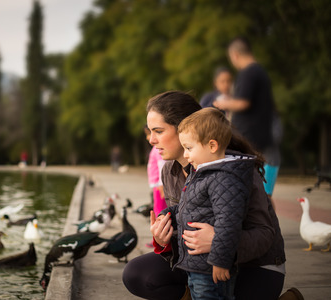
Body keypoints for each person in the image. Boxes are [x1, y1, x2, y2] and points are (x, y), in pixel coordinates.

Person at [122, 91, 300, 300]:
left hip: (253, 265)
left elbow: (264, 235)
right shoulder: (169, 170)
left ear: (184, 129)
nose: (151, 140)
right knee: (136, 274)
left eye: (158, 131)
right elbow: (187, 225)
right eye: (150, 131)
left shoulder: (234, 169)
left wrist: (219, 242)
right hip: (201, 264)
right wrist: (164, 238)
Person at [163, 107, 254, 299]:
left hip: (210, 267)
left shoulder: (224, 179)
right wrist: (168, 214)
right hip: (197, 265)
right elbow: (188, 207)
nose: (186, 155)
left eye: (189, 148)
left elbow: (229, 222)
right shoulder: (202, 173)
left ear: (212, 146)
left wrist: (220, 261)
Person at [214, 37, 281, 197]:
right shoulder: (260, 72)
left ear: (235, 55)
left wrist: (222, 104)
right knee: (263, 194)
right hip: (261, 137)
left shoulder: (248, 72)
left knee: (256, 193)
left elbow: (243, 103)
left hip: (251, 139)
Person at [144, 125, 167, 216]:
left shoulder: (158, 149)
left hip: (159, 185)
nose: (148, 138)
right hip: (156, 184)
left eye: (148, 134)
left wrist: (162, 184)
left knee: (160, 209)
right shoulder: (155, 149)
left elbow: (162, 166)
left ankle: (161, 227)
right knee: (157, 207)